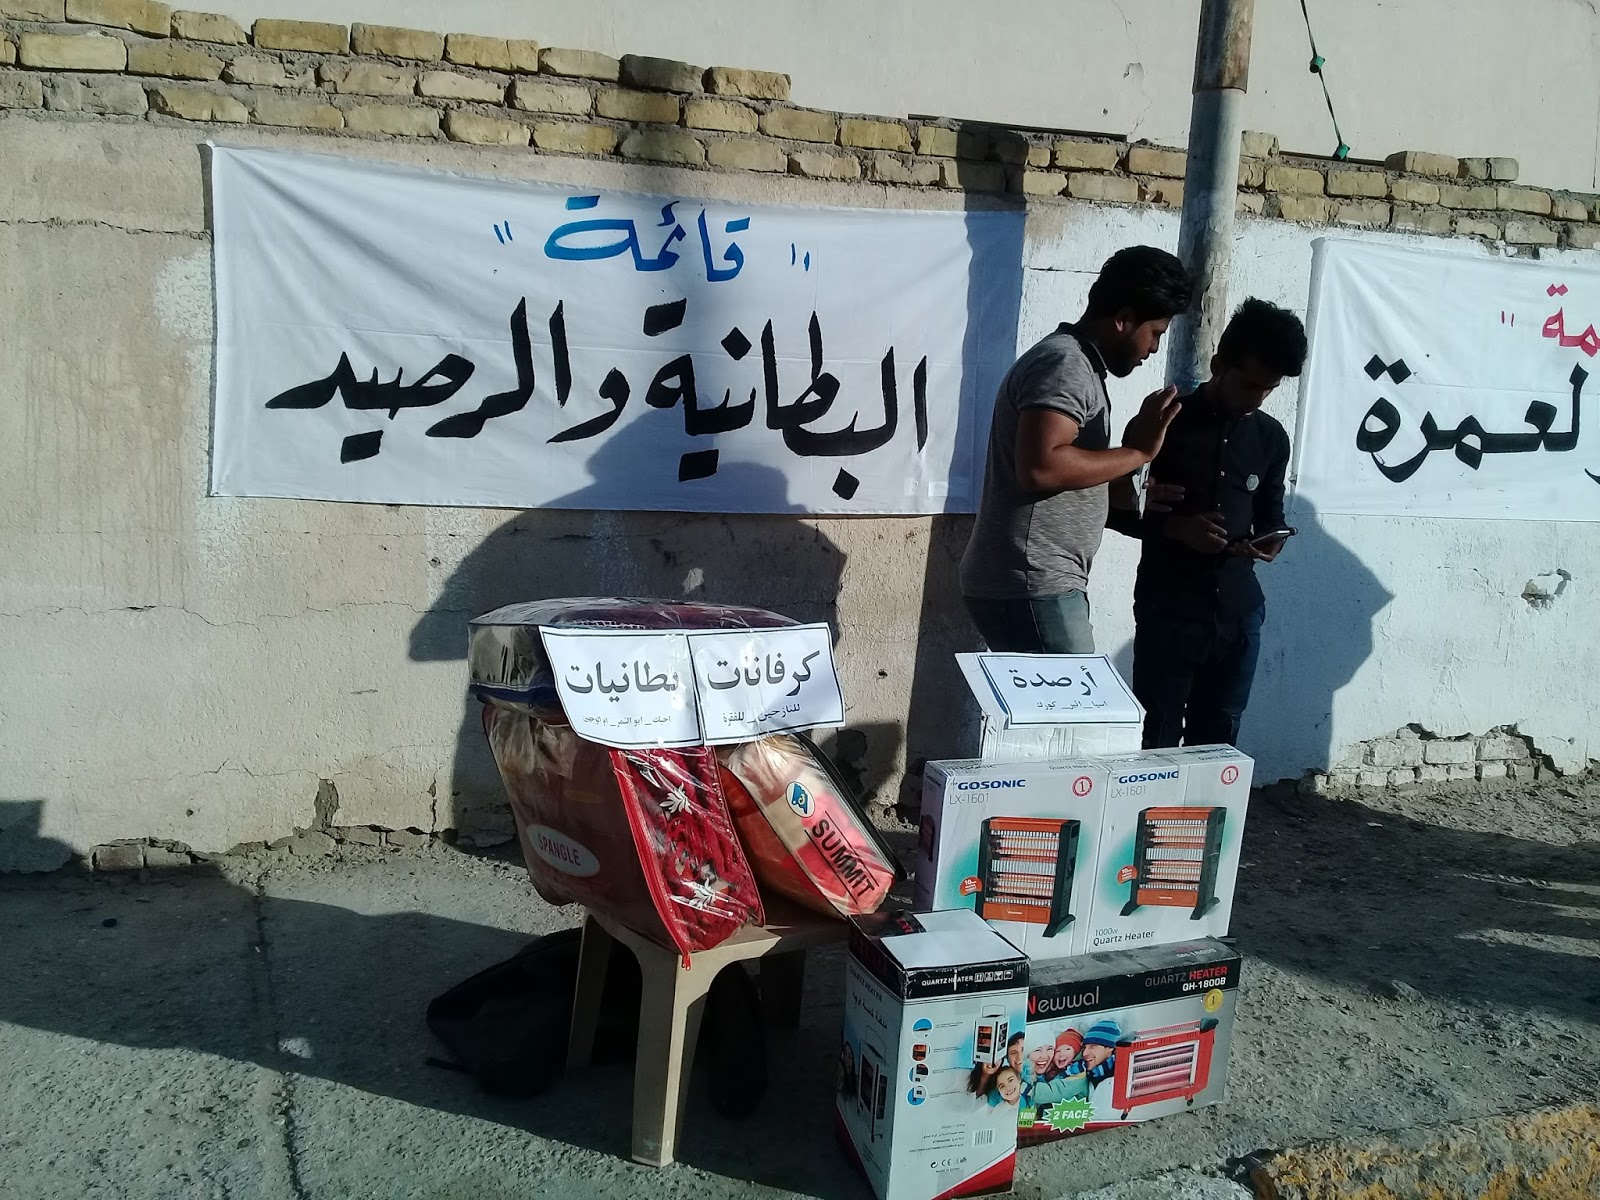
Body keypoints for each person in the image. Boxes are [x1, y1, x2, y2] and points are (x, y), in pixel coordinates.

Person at [960, 246, 1194, 653]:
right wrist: (1138, 452)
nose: (1155, 348)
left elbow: (1059, 471)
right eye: (1155, 332)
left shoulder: (1078, 364)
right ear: (1123, 318)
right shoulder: (1065, 365)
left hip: (1038, 583)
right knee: (1080, 696)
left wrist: (1124, 488)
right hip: (1033, 583)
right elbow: (1041, 467)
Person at [1114, 298, 1308, 748]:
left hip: (1239, 613)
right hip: (1170, 610)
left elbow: (1271, 515)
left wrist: (1268, 542)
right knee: (1156, 736)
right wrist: (1176, 529)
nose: (1256, 399)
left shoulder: (1271, 438)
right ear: (1219, 365)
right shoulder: (1162, 422)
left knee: (1218, 741)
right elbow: (1113, 509)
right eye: (1249, 384)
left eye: (1269, 389)